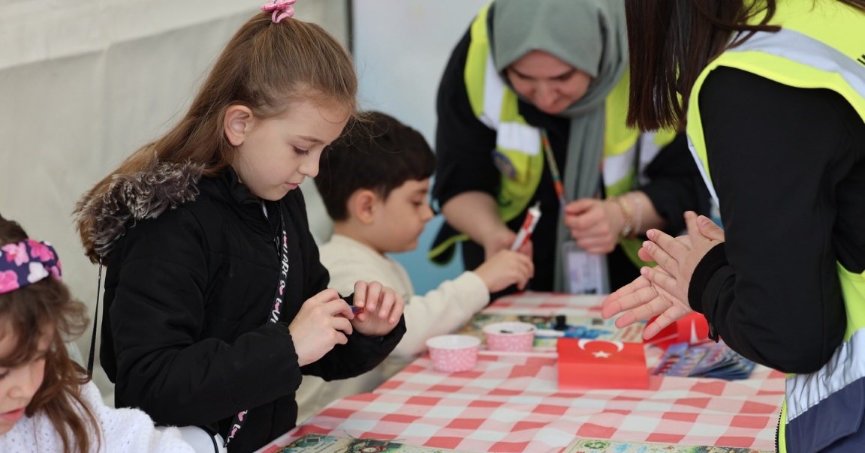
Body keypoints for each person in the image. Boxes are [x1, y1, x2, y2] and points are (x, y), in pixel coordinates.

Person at [72, 3, 406, 452]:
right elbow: (149, 385)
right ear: (240, 123)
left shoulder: (281, 203)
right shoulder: (168, 221)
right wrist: (287, 347)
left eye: (323, 150)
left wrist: (363, 328)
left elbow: (310, 337)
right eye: (302, 148)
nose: (312, 168)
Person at [601, 1, 865, 451]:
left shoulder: (758, 73)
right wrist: (747, 258)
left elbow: (792, 335)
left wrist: (706, 280)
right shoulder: (839, 25)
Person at [430, 0, 709, 294]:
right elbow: (458, 179)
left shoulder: (653, 55)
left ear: (600, 49)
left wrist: (623, 215)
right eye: (523, 77)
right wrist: (492, 233)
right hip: (514, 279)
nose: (546, 98)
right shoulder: (481, 50)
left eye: (562, 77)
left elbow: (690, 182)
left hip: (633, 279)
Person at [295, 111, 534, 420]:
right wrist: (481, 280)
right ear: (366, 206)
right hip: (319, 430)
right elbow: (405, 334)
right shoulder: (340, 267)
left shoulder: (379, 262)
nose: (428, 214)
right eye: (416, 200)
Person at [0, 215, 193, 453]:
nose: (27, 388)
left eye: (40, 357)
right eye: (3, 373)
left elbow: (136, 442)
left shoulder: (57, 403)